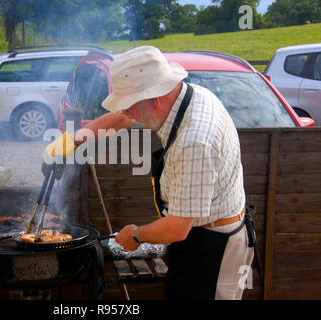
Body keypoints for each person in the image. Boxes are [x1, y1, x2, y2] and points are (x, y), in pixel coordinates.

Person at [45, 46, 256, 300]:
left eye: (129, 106)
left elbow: (177, 228)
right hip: (197, 236)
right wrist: (69, 143)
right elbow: (122, 119)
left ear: (153, 99)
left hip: (214, 247)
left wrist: (135, 234)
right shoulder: (184, 96)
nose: (125, 113)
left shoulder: (194, 142)